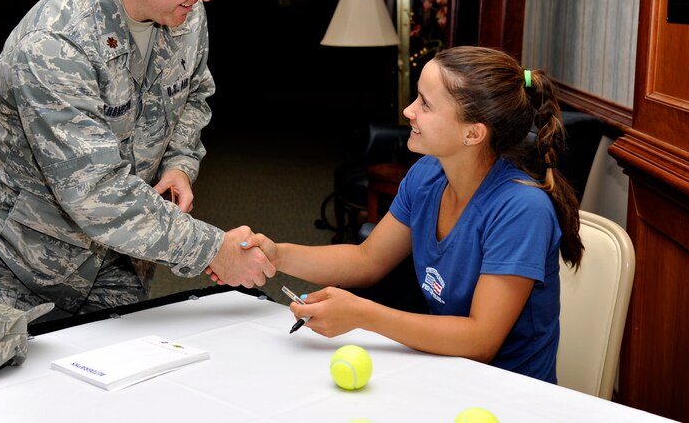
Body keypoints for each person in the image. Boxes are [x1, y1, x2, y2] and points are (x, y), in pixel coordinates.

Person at [0, 0, 274, 322]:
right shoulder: (56, 43)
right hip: (13, 269)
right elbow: (95, 193)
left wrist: (179, 164)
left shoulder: (186, 13)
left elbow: (195, 93)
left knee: (122, 384)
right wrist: (216, 250)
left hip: (118, 262)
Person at [243, 46, 583, 383]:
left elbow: (481, 342)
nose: (409, 110)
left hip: (508, 393)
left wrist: (363, 315)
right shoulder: (427, 175)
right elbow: (366, 259)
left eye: (426, 104)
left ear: (473, 133)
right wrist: (277, 255)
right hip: (442, 370)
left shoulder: (521, 209)